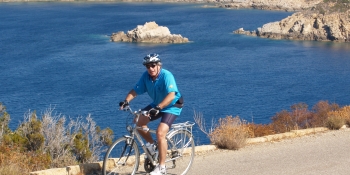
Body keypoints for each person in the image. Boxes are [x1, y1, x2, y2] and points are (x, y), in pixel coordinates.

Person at [119, 53, 183, 175]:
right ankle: (152, 146)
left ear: (159, 65)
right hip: (157, 104)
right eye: (148, 66)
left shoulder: (166, 75)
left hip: (172, 106)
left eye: (153, 65)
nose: (151, 69)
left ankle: (162, 167)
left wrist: (159, 107)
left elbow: (171, 95)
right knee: (138, 121)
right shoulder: (146, 77)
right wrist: (126, 101)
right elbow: (135, 90)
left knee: (160, 133)